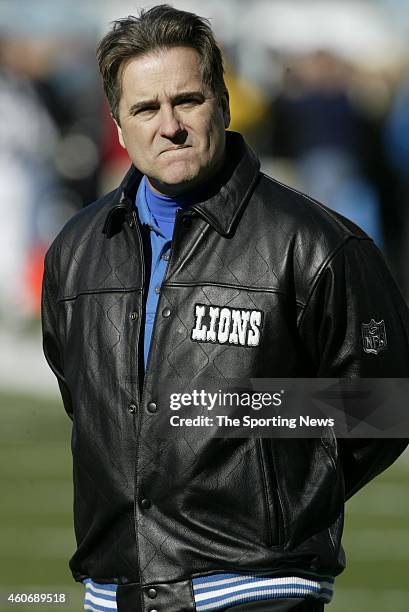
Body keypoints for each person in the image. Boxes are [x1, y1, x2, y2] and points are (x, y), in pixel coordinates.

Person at [41, 5, 409, 612]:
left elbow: (386, 406)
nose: (170, 126)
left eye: (187, 100)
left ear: (225, 101)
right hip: (114, 592)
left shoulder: (317, 242)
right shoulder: (77, 250)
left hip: (258, 587)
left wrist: (256, 445)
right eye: (145, 108)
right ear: (118, 123)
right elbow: (86, 397)